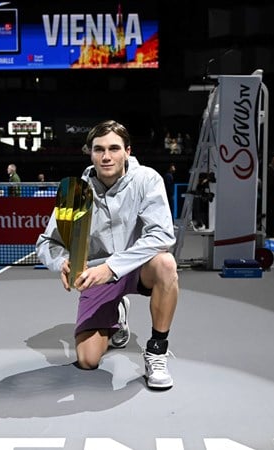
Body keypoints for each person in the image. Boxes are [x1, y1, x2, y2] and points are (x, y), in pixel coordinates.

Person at [35, 120, 178, 390]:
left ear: (127, 151)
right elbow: (46, 243)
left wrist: (112, 268)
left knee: (166, 264)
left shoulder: (146, 179)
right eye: (99, 149)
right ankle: (118, 314)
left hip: (137, 267)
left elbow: (162, 235)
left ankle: (157, 352)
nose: (106, 156)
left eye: (114, 148)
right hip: (95, 275)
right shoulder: (75, 192)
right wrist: (61, 261)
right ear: (90, 153)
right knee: (88, 360)